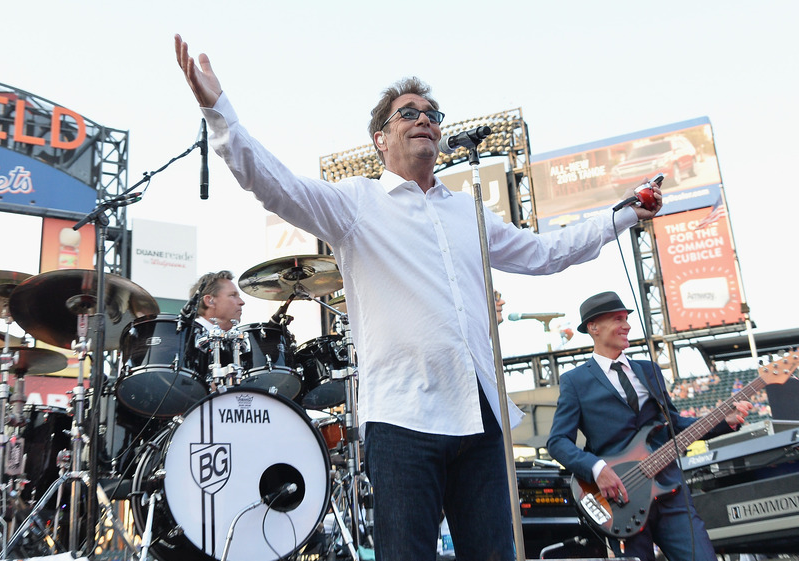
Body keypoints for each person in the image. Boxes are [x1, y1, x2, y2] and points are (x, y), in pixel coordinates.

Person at [174, 35, 664, 561]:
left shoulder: (468, 212)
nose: (425, 120)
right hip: (403, 416)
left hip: (479, 412)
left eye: (432, 113)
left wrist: (624, 215)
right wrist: (218, 112)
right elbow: (273, 184)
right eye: (408, 113)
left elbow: (546, 253)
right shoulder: (356, 204)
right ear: (380, 139)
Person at [547, 291, 752, 561]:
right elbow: (557, 442)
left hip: (671, 489)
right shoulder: (575, 381)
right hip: (620, 498)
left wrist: (722, 422)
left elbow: (675, 425)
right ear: (593, 327)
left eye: (627, 318)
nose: (627, 325)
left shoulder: (649, 370)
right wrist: (597, 470)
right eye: (617, 319)